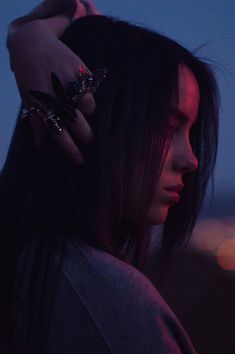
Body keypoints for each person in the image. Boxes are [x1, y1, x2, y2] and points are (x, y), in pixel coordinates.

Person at [1, 1, 219, 353]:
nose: (191, 160)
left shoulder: (26, 269)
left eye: (191, 133)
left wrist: (27, 35)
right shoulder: (107, 297)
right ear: (95, 120)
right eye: (167, 127)